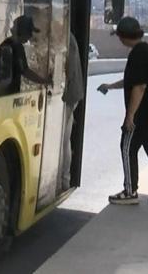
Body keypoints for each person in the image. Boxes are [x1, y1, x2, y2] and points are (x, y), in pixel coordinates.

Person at [98, 17, 148, 206]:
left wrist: (130, 116)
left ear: (124, 36)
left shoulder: (138, 54)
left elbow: (140, 86)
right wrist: (110, 86)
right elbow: (132, 81)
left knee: (127, 147)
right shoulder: (146, 51)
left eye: (119, 35)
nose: (119, 39)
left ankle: (129, 191)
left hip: (144, 115)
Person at [0, 15, 51, 98]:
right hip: (0, 100)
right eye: (29, 32)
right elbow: (24, 72)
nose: (31, 36)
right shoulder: (10, 48)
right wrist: (44, 81)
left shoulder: (15, 46)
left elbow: (24, 70)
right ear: (22, 31)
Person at [61, 32, 85, 190]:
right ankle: (65, 179)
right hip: (72, 93)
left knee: (63, 140)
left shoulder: (64, 36)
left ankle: (64, 179)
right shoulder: (68, 35)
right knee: (65, 139)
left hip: (69, 95)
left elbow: (67, 70)